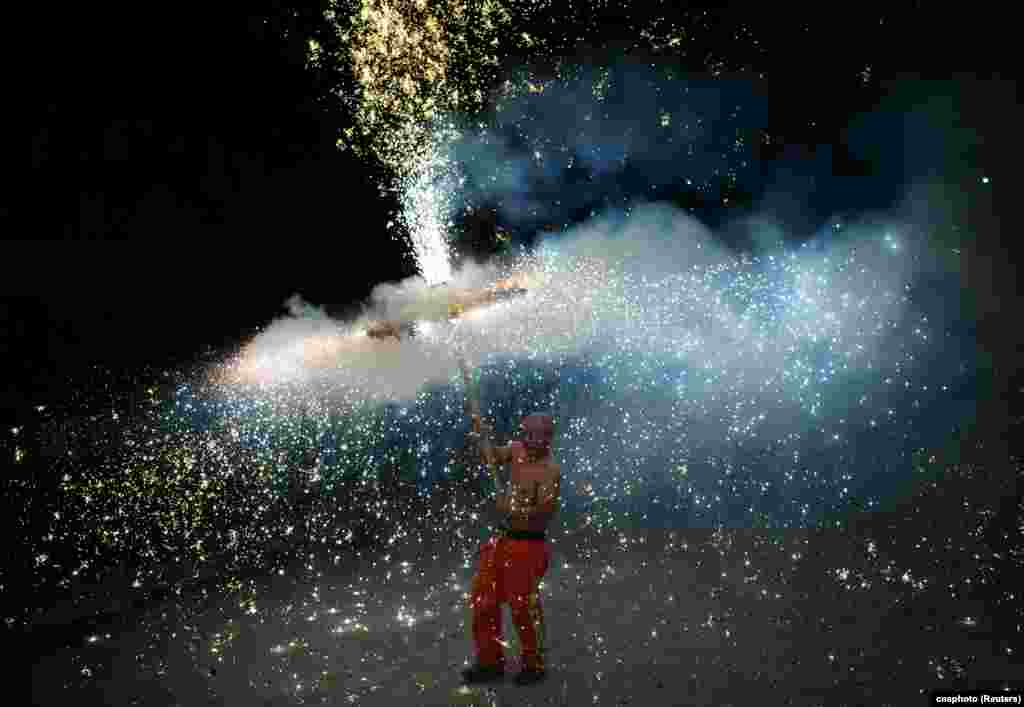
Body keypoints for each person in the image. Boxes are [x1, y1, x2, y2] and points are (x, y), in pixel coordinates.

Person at [462, 411, 561, 686]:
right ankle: (489, 663)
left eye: (537, 435)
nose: (530, 440)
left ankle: (534, 664)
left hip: (529, 546)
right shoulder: (516, 450)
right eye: (526, 433)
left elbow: (544, 513)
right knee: (484, 600)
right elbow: (491, 458)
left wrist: (513, 510)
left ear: (549, 438)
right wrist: (481, 438)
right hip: (503, 540)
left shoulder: (550, 470)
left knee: (522, 606)